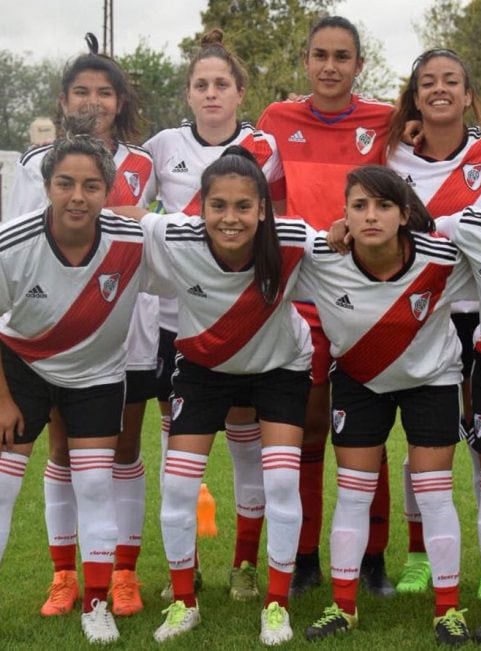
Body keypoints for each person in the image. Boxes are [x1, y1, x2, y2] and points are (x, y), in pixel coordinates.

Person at [7, 37, 156, 619]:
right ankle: (65, 575)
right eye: (80, 91)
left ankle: (122, 573)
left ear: (120, 101)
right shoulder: (30, 165)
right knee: (64, 453)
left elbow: (163, 232)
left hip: (124, 328)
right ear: (64, 99)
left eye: (104, 92)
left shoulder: (144, 162)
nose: (92, 101)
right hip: (49, 329)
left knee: (121, 449)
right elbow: (20, 239)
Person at [141, 146, 311, 645]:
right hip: (204, 367)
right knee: (177, 488)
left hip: (279, 367)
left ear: (262, 208)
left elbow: (351, 249)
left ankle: (276, 605)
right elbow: (129, 220)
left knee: (280, 482)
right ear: (201, 206)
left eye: (243, 206)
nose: (230, 218)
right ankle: (182, 603)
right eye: (218, 205)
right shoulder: (175, 234)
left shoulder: (295, 240)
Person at [302, 165, 473, 645]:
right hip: (359, 380)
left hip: (432, 381)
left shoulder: (442, 257)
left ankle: (447, 610)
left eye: (383, 206)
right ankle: (342, 606)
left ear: (404, 215)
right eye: (359, 206)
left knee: (435, 494)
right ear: (344, 215)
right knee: (354, 493)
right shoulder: (319, 256)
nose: (370, 216)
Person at [143, 29, 284, 601]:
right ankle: (189, 563)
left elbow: (280, 221)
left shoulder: (266, 147)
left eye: (221, 83)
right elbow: (133, 212)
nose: (210, 93)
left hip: (245, 320)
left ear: (239, 91)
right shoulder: (160, 146)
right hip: (177, 322)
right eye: (200, 84)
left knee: (248, 446)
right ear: (188, 93)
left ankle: (245, 566)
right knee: (180, 448)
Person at [257, 15, 395, 596]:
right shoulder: (276, 120)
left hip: (368, 294)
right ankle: (307, 555)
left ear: (359, 65)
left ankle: (372, 558)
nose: (331, 66)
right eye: (321, 55)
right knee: (310, 427)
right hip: (305, 294)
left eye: (343, 56)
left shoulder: (386, 120)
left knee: (366, 428)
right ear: (306, 61)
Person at [387, 47, 481, 598]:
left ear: (467, 93)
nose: (440, 89)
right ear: (414, 95)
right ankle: (417, 554)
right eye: (428, 82)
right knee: (425, 443)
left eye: (451, 81)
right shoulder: (392, 158)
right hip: (419, 315)